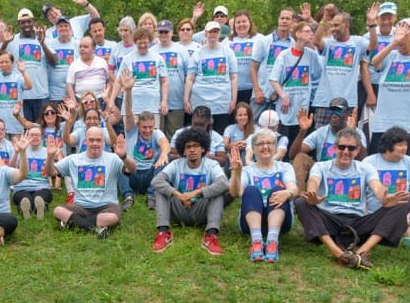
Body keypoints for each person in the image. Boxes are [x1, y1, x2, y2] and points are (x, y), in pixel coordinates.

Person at [294, 128, 409, 269]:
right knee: (301, 202)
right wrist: (312, 194)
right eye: (341, 147)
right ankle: (339, 253)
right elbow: (313, 181)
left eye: (351, 148)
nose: (346, 151)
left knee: (404, 202)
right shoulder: (321, 166)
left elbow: (377, 186)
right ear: (335, 148)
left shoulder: (366, 168)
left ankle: (362, 251)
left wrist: (384, 198)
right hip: (330, 220)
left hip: (358, 222)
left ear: (358, 150)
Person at [369, 17, 410, 172]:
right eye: (397, 36)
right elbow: (375, 62)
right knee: (378, 166)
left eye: (403, 37)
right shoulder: (391, 55)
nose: (399, 41)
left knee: (407, 169)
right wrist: (393, 43)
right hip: (384, 123)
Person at [46, 126, 136, 238]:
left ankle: (73, 222)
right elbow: (51, 172)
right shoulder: (74, 159)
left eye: (98, 140)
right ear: (85, 141)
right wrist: (50, 157)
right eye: (91, 140)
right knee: (58, 211)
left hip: (106, 206)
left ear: (103, 141)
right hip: (81, 206)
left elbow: (131, 169)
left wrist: (124, 156)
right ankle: (94, 229)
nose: (95, 143)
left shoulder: (112, 158)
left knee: (112, 218)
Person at [151, 127, 228, 255]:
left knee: (218, 192)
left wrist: (196, 193)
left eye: (196, 146)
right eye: (188, 147)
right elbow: (156, 181)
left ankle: (211, 235)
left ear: (203, 148)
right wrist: (178, 195)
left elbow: (223, 183)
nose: (192, 149)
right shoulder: (176, 164)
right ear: (183, 151)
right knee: (161, 190)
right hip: (179, 208)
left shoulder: (211, 164)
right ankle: (163, 233)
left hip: (201, 209)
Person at [230, 129, 298, 262]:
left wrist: (287, 192)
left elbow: (294, 189)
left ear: (275, 147)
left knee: (279, 189)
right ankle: (257, 242)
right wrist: (236, 172)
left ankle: (272, 242)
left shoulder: (285, 167)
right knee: (250, 190)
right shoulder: (247, 170)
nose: (265, 146)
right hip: (251, 222)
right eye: (261, 144)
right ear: (254, 150)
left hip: (281, 220)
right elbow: (235, 193)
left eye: (270, 143)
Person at [361, 127, 410, 249]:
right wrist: (365, 211)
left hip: (401, 209)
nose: (404, 148)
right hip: (375, 211)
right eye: (400, 145)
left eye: (405, 144)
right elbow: (362, 190)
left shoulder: (409, 162)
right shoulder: (370, 161)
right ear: (388, 146)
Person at [309, 7, 372, 129]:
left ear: (347, 26)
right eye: (331, 26)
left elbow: (373, 45)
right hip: (324, 101)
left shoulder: (358, 42)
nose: (333, 29)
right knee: (321, 138)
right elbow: (316, 41)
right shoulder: (328, 43)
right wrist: (324, 19)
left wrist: (373, 25)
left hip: (347, 101)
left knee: (346, 137)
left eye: (336, 25)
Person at [118, 73, 170, 209]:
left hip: (150, 176)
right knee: (119, 160)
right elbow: (128, 112)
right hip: (132, 173)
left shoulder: (156, 132)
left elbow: (165, 143)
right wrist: (128, 91)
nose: (147, 130)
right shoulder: (131, 131)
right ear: (138, 126)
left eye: (150, 127)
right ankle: (128, 196)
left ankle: (152, 196)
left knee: (165, 157)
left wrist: (164, 153)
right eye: (144, 127)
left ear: (154, 125)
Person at [289, 98, 366, 185]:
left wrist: (352, 131)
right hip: (321, 173)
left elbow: (363, 158)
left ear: (347, 114)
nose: (334, 115)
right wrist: (302, 132)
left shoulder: (357, 132)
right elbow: (293, 155)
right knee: (300, 157)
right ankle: (299, 197)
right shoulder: (321, 132)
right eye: (331, 111)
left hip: (347, 173)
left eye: (339, 111)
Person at [269, 21, 322, 147]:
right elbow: (273, 79)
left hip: (303, 103)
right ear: (298, 34)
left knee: (301, 136)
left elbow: (317, 75)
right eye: (307, 31)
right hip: (286, 105)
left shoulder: (311, 55)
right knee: (285, 139)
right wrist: (283, 96)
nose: (311, 34)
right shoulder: (284, 55)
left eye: (311, 32)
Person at [2, 8, 57, 122]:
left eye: (29, 21)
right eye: (23, 22)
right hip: (22, 95)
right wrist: (5, 43)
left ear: (33, 22)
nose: (26, 24)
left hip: (41, 95)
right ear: (19, 24)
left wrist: (42, 44)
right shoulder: (12, 40)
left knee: (42, 130)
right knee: (25, 131)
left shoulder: (43, 38)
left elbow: (54, 62)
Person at [185, 21, 237, 135]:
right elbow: (190, 78)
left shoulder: (228, 52)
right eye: (210, 32)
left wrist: (234, 99)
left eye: (215, 31)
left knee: (221, 134)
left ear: (219, 34)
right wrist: (186, 99)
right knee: (199, 134)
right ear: (205, 34)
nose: (213, 34)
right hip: (200, 101)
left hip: (222, 102)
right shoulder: (198, 53)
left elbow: (233, 77)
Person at [110, 28, 168, 120]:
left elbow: (164, 81)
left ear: (149, 41)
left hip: (152, 106)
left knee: (152, 133)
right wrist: (111, 100)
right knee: (131, 133)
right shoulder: (127, 59)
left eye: (145, 42)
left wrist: (164, 101)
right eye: (140, 43)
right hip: (132, 106)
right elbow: (118, 81)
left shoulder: (158, 58)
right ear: (135, 42)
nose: (142, 45)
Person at [251, 8, 295, 118]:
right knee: (252, 129)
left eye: (288, 19)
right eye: (282, 18)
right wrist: (257, 90)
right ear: (278, 20)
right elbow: (253, 68)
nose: (284, 21)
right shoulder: (264, 41)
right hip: (262, 94)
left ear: (293, 22)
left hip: (282, 98)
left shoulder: (294, 44)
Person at [154, 20, 194, 138]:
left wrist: (187, 98)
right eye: (160, 32)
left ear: (171, 33)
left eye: (166, 32)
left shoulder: (181, 50)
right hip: (156, 102)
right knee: (157, 136)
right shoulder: (152, 51)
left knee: (174, 137)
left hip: (177, 101)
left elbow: (189, 76)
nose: (163, 35)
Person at [0, 52, 33, 137]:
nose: (4, 64)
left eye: (7, 62)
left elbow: (29, 86)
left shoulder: (18, 77)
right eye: (1, 62)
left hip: (15, 123)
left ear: (12, 63)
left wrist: (23, 71)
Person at [11, 125, 52, 219]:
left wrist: (50, 157)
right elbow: (11, 167)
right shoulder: (21, 150)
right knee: (25, 199)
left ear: (42, 137)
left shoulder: (47, 151)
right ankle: (27, 209)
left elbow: (51, 171)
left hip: (42, 186)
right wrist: (17, 152)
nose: (34, 137)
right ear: (27, 137)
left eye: (37, 135)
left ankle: (39, 208)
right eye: (32, 135)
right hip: (22, 187)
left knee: (40, 197)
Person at [229, 10, 264, 110]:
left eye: (244, 21)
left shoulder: (260, 39)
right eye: (238, 22)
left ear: (250, 22)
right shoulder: (228, 41)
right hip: (233, 90)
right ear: (234, 25)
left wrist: (258, 89)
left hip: (253, 89)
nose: (241, 25)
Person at [66, 36, 113, 102]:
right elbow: (69, 85)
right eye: (80, 46)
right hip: (81, 101)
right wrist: (74, 102)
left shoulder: (102, 62)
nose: (82, 49)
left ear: (93, 48)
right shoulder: (74, 65)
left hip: (101, 100)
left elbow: (109, 81)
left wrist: (108, 98)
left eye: (85, 47)